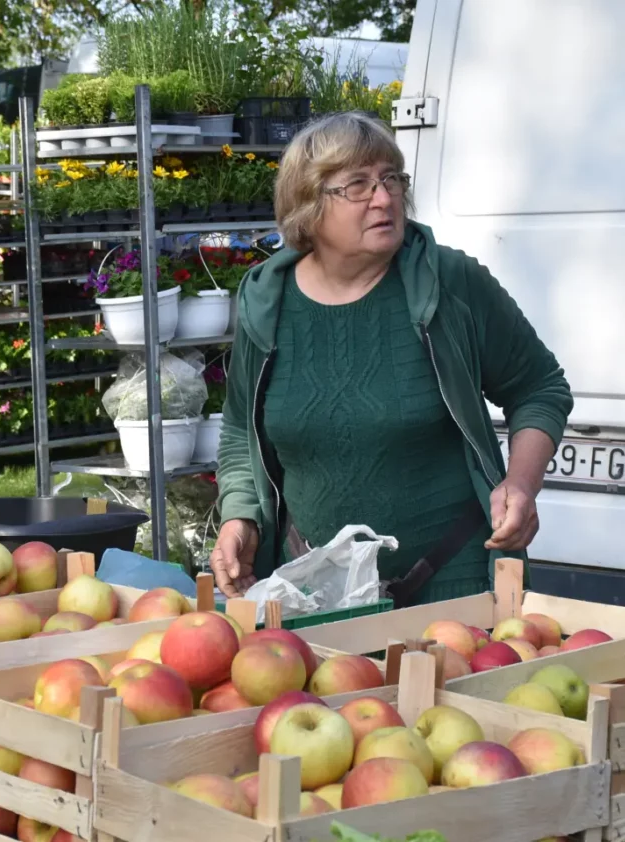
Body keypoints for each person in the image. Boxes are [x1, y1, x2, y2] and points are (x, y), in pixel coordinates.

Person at [210, 113, 573, 605]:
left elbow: (539, 387)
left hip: (454, 589)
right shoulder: (265, 303)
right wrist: (240, 517)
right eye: (358, 185)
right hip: (316, 595)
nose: (384, 198)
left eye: (391, 179)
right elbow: (239, 429)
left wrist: (521, 484)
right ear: (308, 205)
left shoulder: (450, 282)